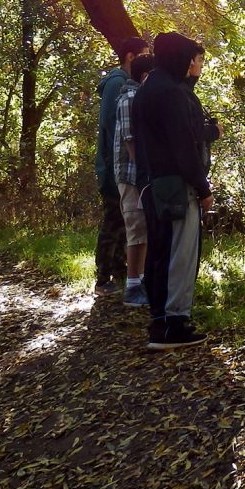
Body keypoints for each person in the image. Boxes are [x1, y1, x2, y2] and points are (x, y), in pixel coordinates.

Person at [132, 32, 217, 350]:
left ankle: (159, 319)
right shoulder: (170, 93)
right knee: (179, 252)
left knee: (160, 249)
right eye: (190, 57)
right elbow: (184, 147)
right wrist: (203, 188)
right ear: (179, 58)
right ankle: (174, 324)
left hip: (152, 182)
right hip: (176, 186)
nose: (193, 63)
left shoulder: (148, 87)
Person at [94, 36, 148, 297]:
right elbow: (111, 124)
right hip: (114, 167)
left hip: (117, 166)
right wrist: (110, 167)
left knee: (123, 221)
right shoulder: (117, 83)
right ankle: (103, 277)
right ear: (130, 56)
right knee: (114, 220)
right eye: (144, 54)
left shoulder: (125, 83)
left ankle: (119, 272)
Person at [113, 53, 157, 308]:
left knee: (143, 229)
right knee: (136, 228)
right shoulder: (129, 97)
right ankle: (132, 287)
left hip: (139, 175)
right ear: (145, 75)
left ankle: (140, 282)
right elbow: (130, 140)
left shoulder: (139, 96)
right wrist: (144, 173)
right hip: (131, 175)